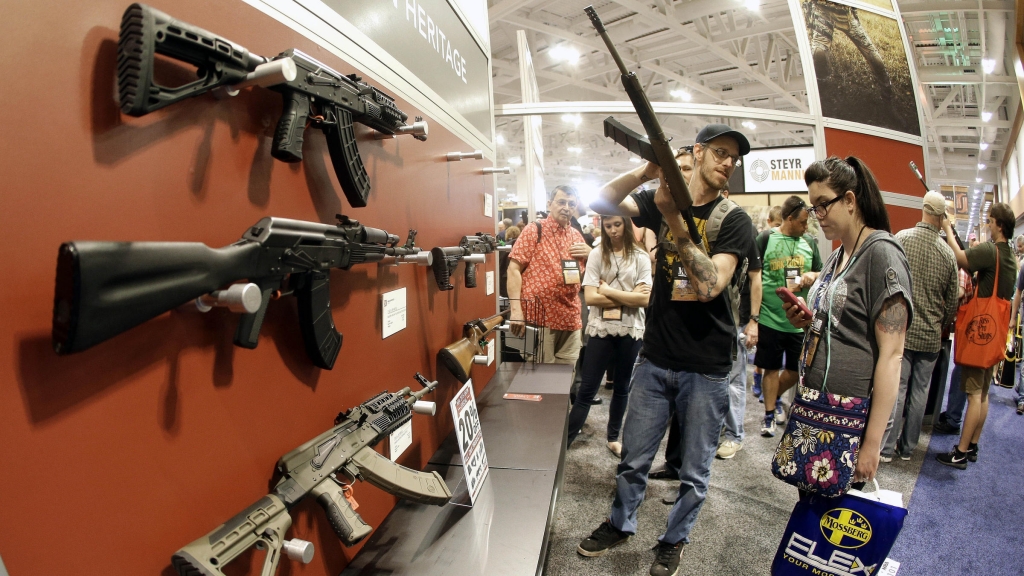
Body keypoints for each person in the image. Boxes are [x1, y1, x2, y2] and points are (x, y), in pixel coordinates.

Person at [578, 124, 753, 576]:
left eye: (734, 156)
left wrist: (673, 219)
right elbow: (599, 204)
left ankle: (674, 540)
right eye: (719, 152)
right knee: (634, 458)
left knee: (694, 473)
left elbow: (711, 284)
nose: (727, 162)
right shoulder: (659, 196)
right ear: (697, 153)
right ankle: (621, 523)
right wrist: (647, 171)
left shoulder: (733, 219)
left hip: (708, 366)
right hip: (655, 357)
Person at [782, 155, 910, 492]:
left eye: (823, 205)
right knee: (812, 514)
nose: (817, 216)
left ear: (850, 200)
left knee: (832, 523)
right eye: (814, 207)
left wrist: (871, 444)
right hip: (817, 406)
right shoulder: (839, 255)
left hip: (849, 416)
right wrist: (807, 321)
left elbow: (893, 354)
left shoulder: (881, 254)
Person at [936, 203, 1018, 468]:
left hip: (979, 331)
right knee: (982, 394)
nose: (989, 225)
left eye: (991, 221)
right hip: (995, 332)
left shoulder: (990, 250)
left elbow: (960, 257)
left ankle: (960, 452)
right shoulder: (1010, 258)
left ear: (999, 225)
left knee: (973, 396)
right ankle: (971, 446)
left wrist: (947, 227)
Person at [879, 191, 959, 461]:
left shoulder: (901, 239)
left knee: (897, 389)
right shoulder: (948, 254)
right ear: (941, 217)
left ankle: (887, 448)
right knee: (920, 393)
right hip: (930, 336)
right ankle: (908, 447)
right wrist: (940, 324)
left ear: (922, 209)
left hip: (901, 330)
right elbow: (952, 302)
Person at [566, 215, 652, 455]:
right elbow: (590, 298)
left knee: (622, 388)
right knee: (586, 391)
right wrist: (628, 295)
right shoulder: (596, 254)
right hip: (600, 329)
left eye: (617, 224)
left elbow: (645, 299)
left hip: (631, 330)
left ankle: (613, 437)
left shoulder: (640, 256)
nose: (613, 230)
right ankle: (564, 444)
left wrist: (606, 289)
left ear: (626, 224)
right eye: (608, 226)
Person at [756, 195, 823, 437]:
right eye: (803, 222)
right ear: (790, 218)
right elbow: (753, 276)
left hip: (798, 322)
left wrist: (812, 276)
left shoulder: (809, 243)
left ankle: (773, 398)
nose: (806, 227)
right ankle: (769, 413)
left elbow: (821, 272)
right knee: (770, 369)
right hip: (769, 317)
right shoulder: (765, 239)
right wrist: (752, 317)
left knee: (795, 372)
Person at [507, 186, 591, 364]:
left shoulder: (577, 236)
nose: (566, 207)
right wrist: (516, 311)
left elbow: (589, 275)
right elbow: (513, 270)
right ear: (549, 204)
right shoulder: (534, 230)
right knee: (539, 380)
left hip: (570, 319)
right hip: (539, 318)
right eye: (561, 202)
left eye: (571, 204)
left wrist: (591, 254)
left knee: (565, 381)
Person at [806, 1, 895, 98]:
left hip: (825, 10)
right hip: (843, 13)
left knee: (819, 50)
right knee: (870, 51)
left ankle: (821, 83)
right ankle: (887, 87)